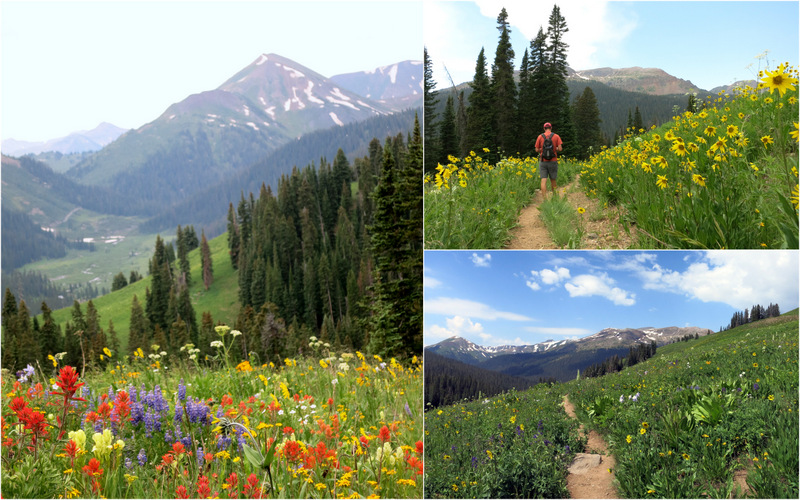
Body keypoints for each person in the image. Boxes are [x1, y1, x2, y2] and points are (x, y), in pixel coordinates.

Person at [534, 122, 563, 198]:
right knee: (553, 179)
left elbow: (536, 149)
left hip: (543, 161)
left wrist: (542, 150)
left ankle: (544, 199)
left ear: (544, 128)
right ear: (551, 128)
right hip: (553, 161)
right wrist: (554, 149)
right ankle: (554, 197)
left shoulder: (540, 137)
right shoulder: (556, 136)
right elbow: (560, 149)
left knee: (543, 180)